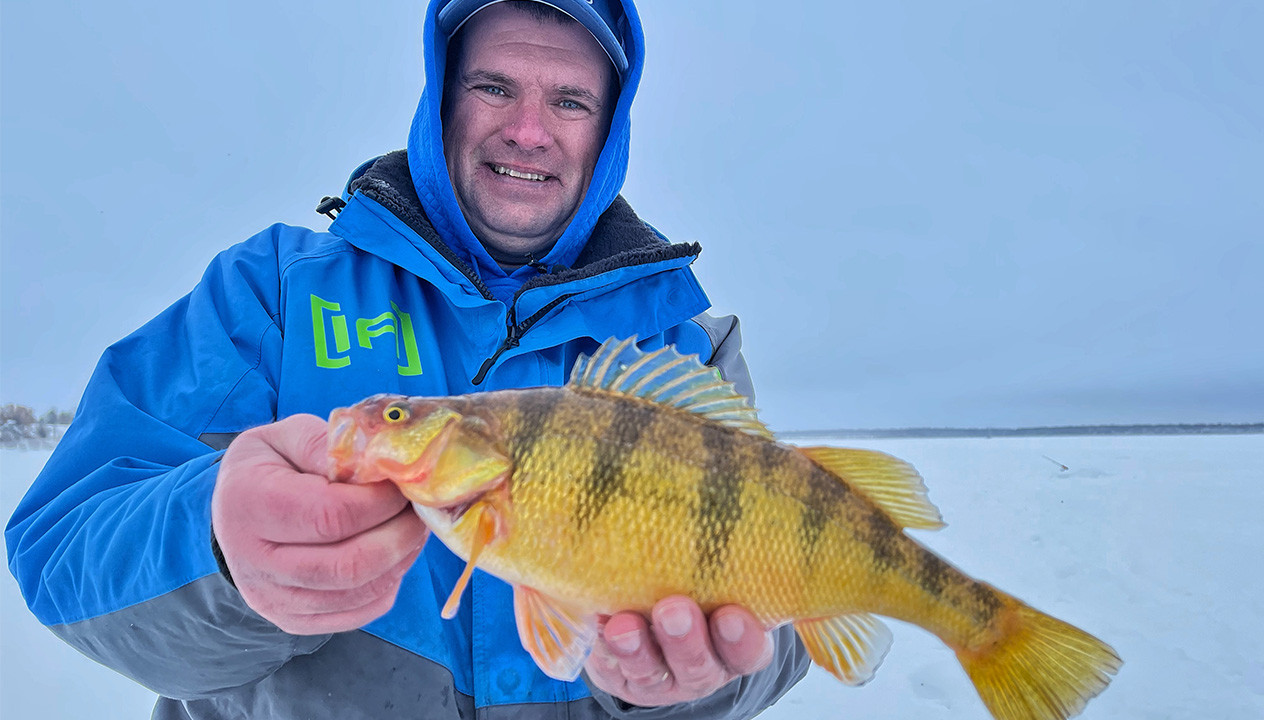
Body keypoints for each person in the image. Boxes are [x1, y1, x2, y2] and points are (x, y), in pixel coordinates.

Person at [6, 1, 809, 718]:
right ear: (442, 97)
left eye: (569, 100)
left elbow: (803, 598)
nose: (528, 129)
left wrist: (687, 686)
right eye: (494, 87)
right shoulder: (273, 292)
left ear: (609, 130)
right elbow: (63, 552)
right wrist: (218, 546)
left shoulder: (688, 346)